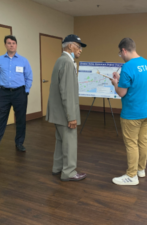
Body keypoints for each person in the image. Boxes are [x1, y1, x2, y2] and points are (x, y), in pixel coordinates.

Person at [111, 38, 147, 185]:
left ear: (124, 50)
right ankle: (140, 170)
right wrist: (120, 79)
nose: (121, 56)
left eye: (120, 53)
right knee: (143, 141)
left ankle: (131, 175)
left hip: (132, 113)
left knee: (131, 144)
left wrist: (115, 83)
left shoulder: (128, 67)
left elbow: (122, 92)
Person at [46, 34, 87, 182]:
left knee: (60, 141)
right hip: (65, 113)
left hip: (57, 112)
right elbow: (67, 93)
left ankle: (57, 167)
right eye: (79, 46)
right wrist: (72, 117)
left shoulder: (60, 60)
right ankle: (69, 172)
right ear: (70, 46)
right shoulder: (68, 63)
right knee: (69, 143)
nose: (80, 50)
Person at [0, 35, 33, 155]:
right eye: (9, 43)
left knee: (20, 119)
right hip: (3, 93)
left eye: (14, 43)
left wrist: (26, 91)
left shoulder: (23, 60)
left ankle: (19, 143)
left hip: (19, 93)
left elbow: (29, 76)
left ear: (16, 45)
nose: (11, 45)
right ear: (5, 45)